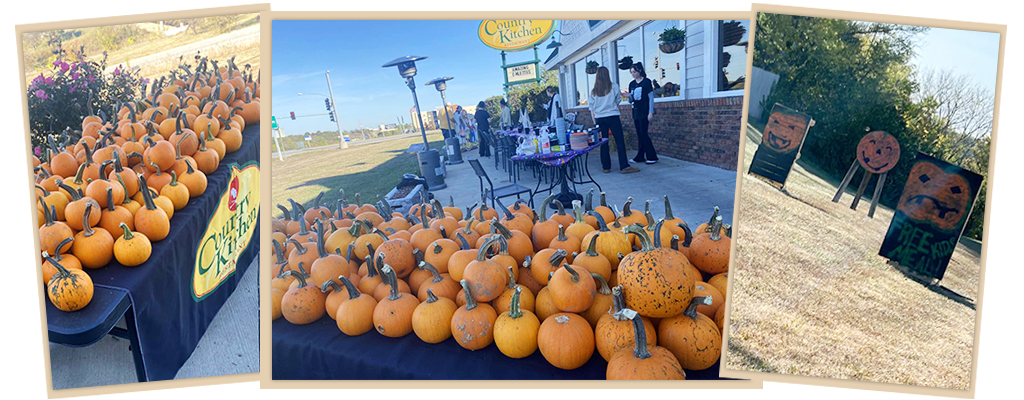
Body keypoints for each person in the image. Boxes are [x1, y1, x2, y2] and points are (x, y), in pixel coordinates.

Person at [589, 66, 639, 174]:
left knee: (603, 142)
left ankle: (606, 167)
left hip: (600, 118)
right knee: (619, 141)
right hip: (613, 116)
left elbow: (591, 107)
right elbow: (618, 100)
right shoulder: (614, 86)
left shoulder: (594, 91)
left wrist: (595, 121)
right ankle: (624, 166)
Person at [627, 62, 659, 164]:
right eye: (631, 72)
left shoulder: (646, 82)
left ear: (640, 71)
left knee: (643, 133)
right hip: (635, 111)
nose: (633, 74)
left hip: (644, 111)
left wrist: (651, 112)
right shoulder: (631, 84)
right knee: (639, 134)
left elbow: (651, 98)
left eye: (634, 72)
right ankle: (640, 156)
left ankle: (652, 156)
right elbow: (631, 100)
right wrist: (628, 96)